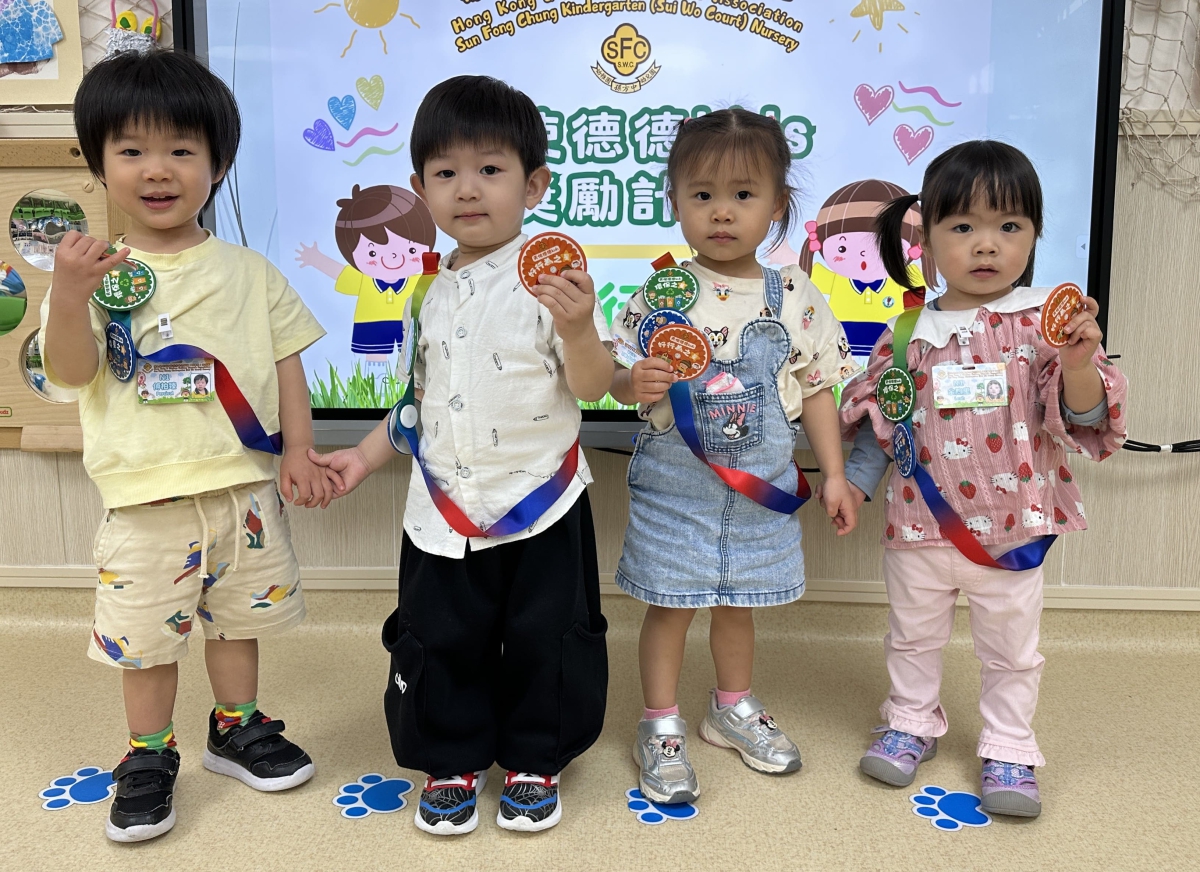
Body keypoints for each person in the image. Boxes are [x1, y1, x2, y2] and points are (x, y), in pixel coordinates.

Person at [39, 49, 331, 843]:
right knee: (145, 640)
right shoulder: (96, 276)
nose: (157, 169)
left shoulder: (250, 271)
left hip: (243, 488)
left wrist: (298, 450)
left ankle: (236, 728)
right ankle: (148, 753)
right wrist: (68, 296)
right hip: (144, 500)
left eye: (181, 149)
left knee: (237, 622)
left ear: (219, 164)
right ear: (99, 164)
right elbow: (71, 372)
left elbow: (288, 362)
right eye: (131, 150)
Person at [310, 75, 612, 835]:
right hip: (442, 513)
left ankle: (535, 758)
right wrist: (363, 457)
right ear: (420, 190)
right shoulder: (425, 291)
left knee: (548, 639)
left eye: (490, 169)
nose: (467, 188)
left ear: (534, 185)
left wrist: (580, 330)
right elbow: (421, 402)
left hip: (543, 504)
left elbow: (592, 386)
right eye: (445, 172)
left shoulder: (551, 280)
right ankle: (450, 759)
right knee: (441, 637)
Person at [837, 140, 1128, 818]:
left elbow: (1084, 416)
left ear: (1034, 235)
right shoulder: (908, 332)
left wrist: (1078, 364)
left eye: (1009, 225)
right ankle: (911, 721)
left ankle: (1010, 747)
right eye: (963, 226)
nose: (987, 244)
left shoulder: (1045, 327)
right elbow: (885, 420)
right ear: (928, 240)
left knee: (1011, 651)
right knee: (911, 636)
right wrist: (853, 484)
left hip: (1012, 533)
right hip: (919, 527)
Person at [608, 109, 859, 805]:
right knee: (670, 606)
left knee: (738, 603)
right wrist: (634, 381)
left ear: (778, 206)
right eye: (702, 194)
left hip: (759, 488)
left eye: (743, 195)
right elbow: (615, 377)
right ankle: (660, 723)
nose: (722, 212)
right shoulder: (662, 294)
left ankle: (731, 707)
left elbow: (817, 387)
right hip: (676, 484)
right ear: (675, 202)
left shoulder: (794, 295)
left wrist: (836, 475)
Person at [294, 183, 437, 366]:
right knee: (376, 358)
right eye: (372, 252)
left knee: (411, 357)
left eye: (411, 249)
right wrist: (316, 258)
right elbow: (340, 273)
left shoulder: (419, 280)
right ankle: (377, 379)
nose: (393, 257)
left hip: (409, 324)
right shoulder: (364, 280)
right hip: (372, 323)